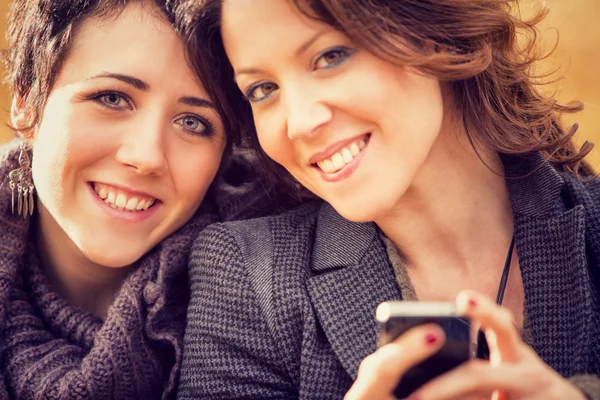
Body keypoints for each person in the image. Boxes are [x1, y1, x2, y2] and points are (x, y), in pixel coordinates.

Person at [178, 0, 600, 399]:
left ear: (432, 30)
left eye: (330, 56)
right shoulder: (248, 278)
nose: (300, 122)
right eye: (262, 89)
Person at [0, 0, 277, 398]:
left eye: (193, 123)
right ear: (27, 104)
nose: (147, 157)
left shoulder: (276, 282)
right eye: (112, 98)